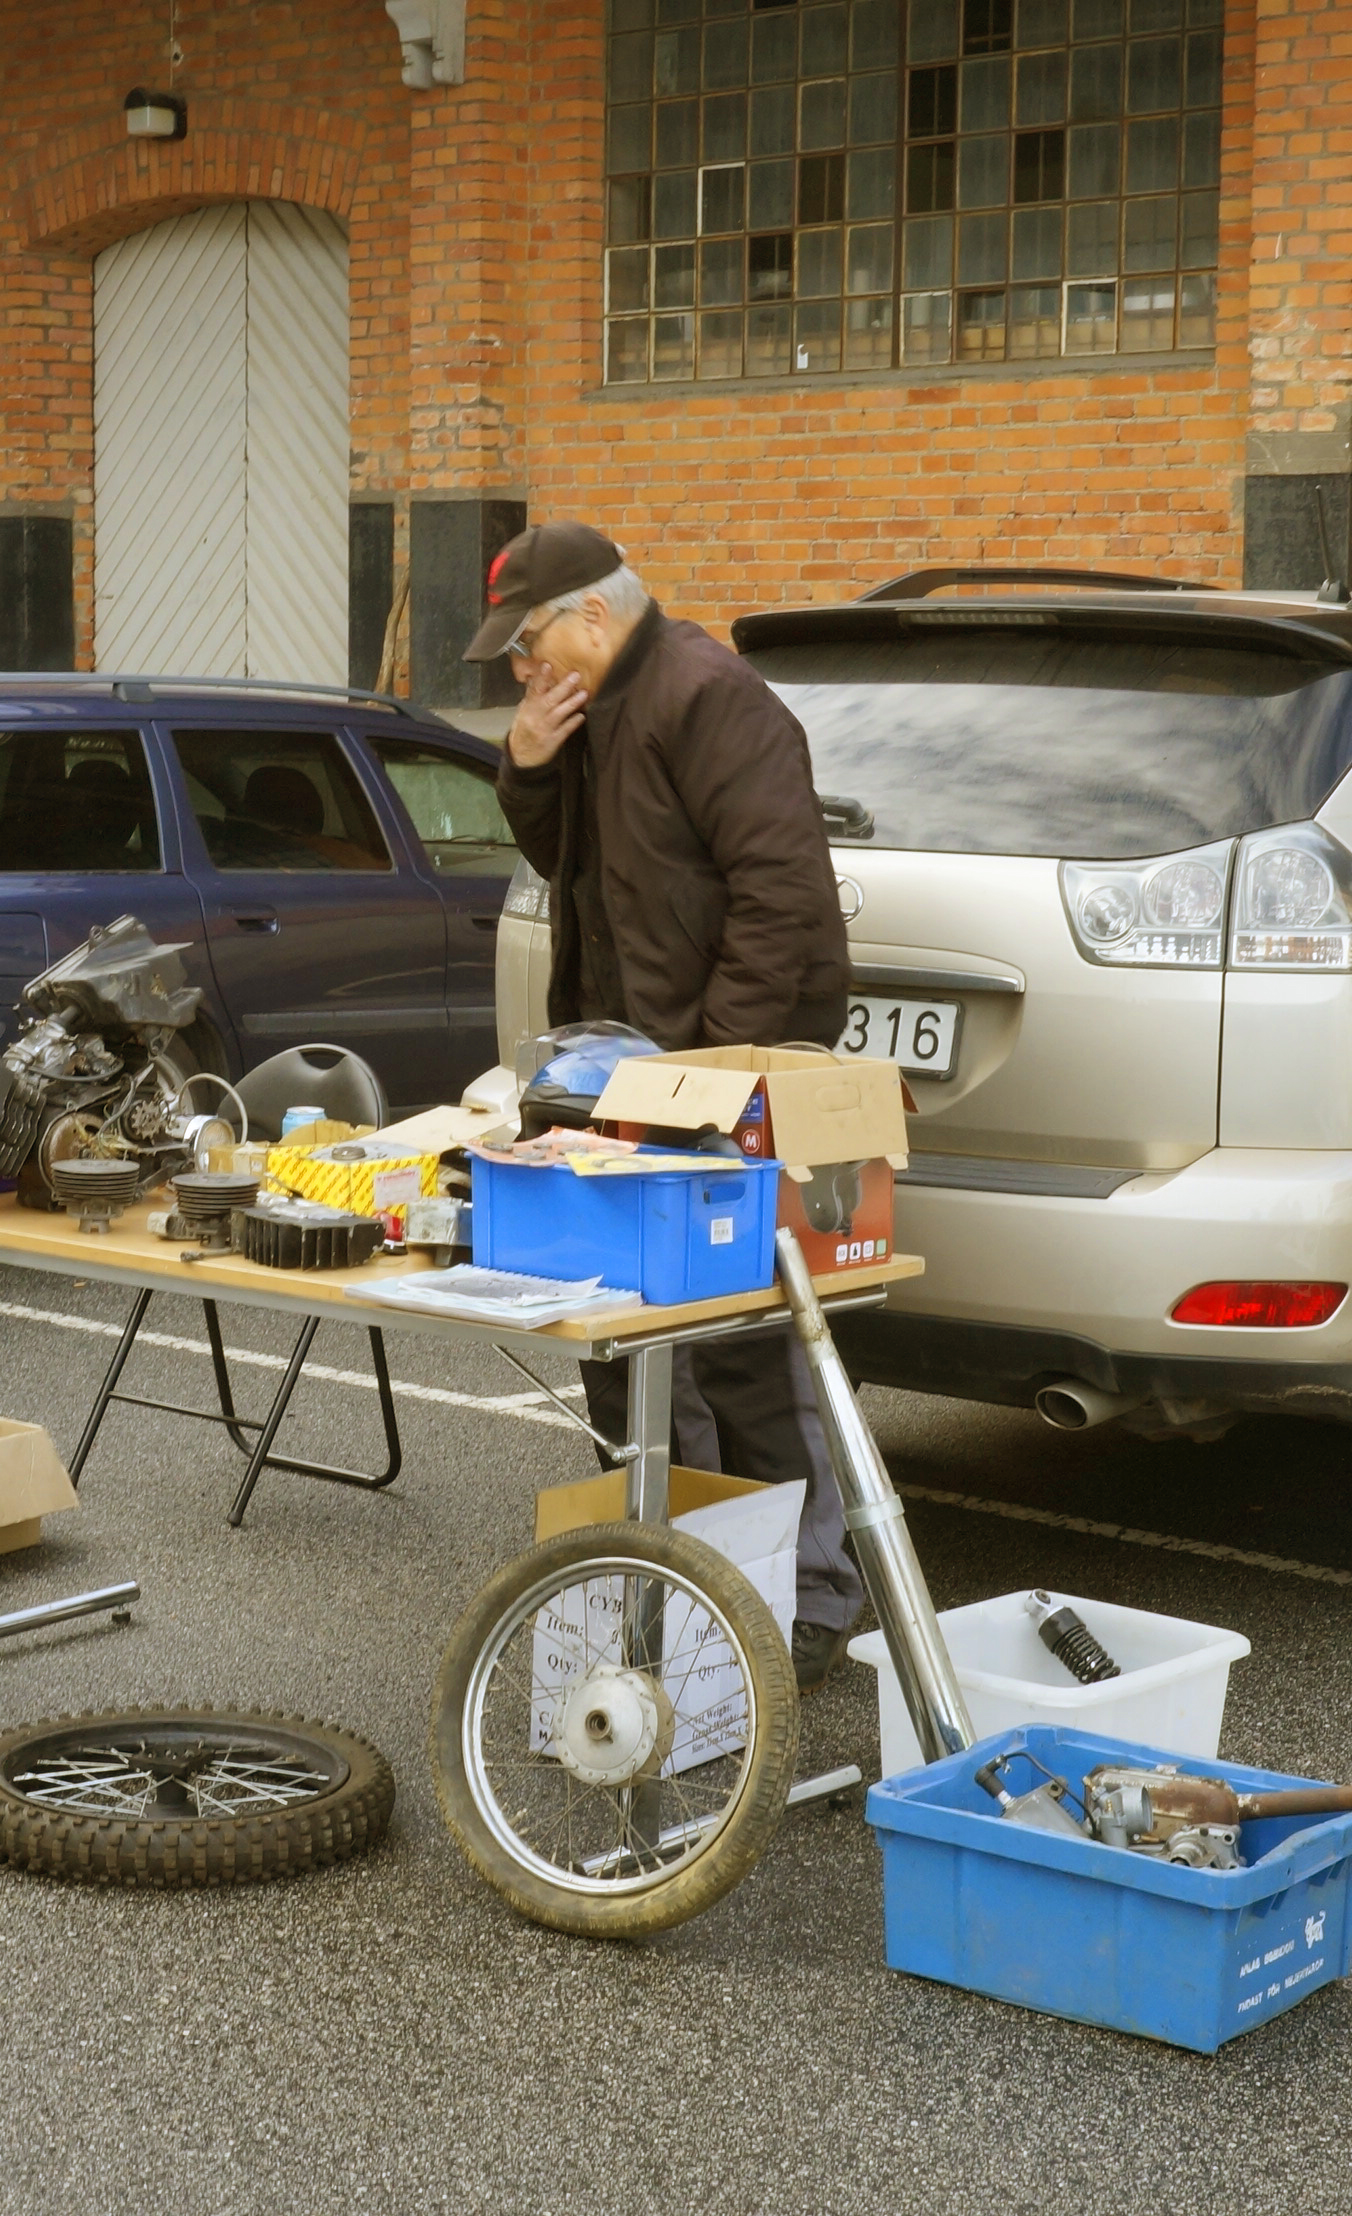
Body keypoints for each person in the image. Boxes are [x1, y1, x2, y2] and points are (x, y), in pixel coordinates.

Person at [474, 521, 864, 1683]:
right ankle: (672, 1575)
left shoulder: (707, 696)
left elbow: (783, 898)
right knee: (624, 1340)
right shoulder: (587, 708)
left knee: (740, 1341)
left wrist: (710, 1070)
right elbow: (570, 863)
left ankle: (807, 1601)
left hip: (710, 1077)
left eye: (529, 644)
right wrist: (527, 764)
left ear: (594, 613)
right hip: (616, 1077)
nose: (523, 669)